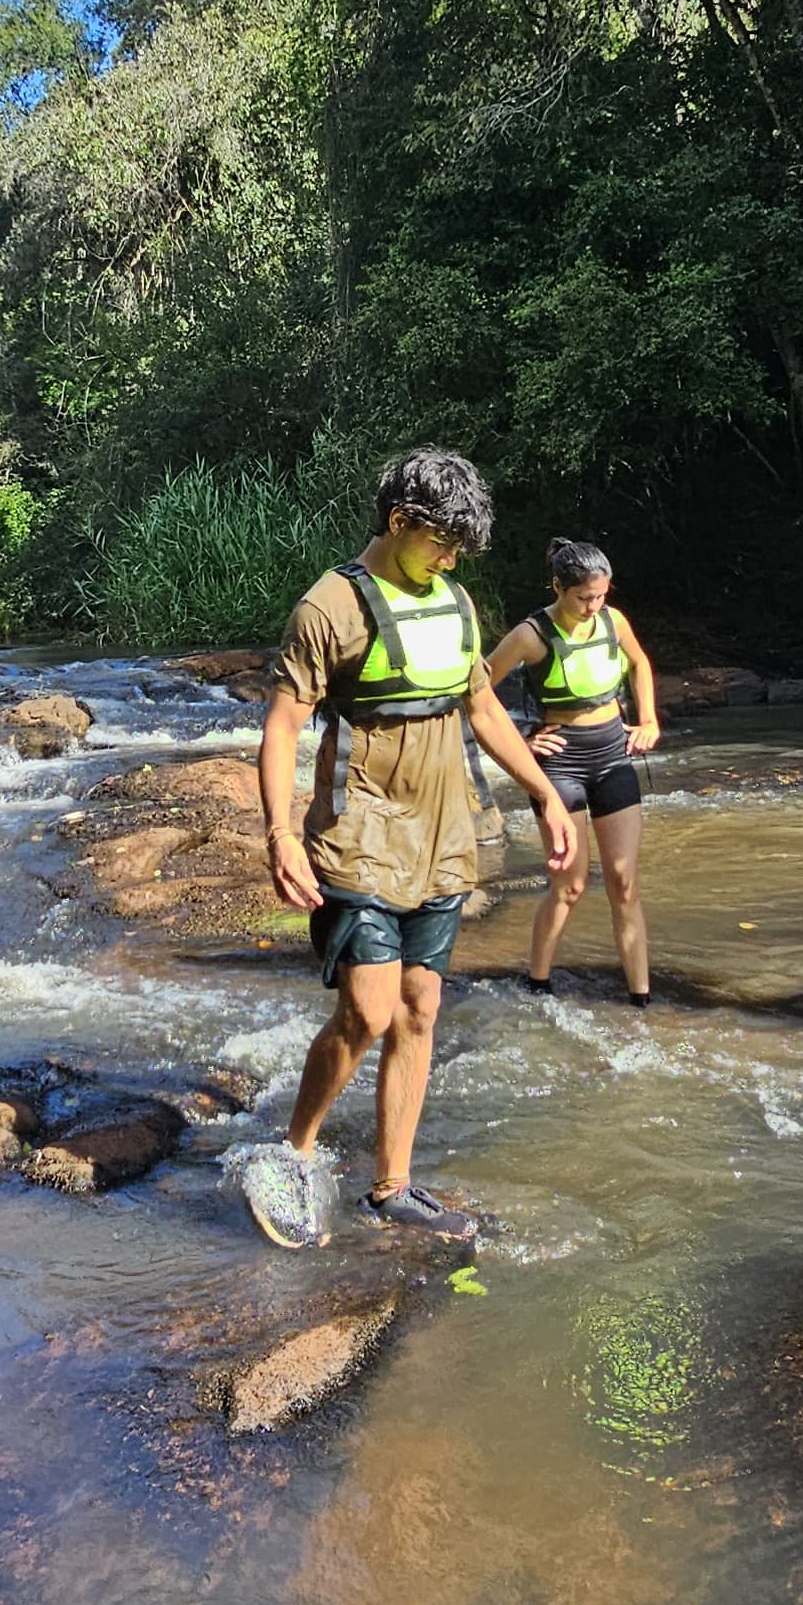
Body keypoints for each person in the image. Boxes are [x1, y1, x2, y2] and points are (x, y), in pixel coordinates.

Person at [255, 447, 578, 1240]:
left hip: (441, 836)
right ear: (399, 523)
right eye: (441, 542)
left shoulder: (455, 601)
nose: (451, 558)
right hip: (357, 832)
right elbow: (283, 726)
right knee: (366, 1011)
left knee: (421, 1008)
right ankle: (293, 1154)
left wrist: (540, 793)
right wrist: (278, 837)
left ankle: (390, 1188)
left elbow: (484, 709)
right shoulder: (327, 609)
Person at [483, 537, 663, 1003]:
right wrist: (524, 741)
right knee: (570, 885)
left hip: (612, 754)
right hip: (559, 764)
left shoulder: (613, 620)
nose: (593, 606)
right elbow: (478, 691)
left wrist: (648, 720)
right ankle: (538, 982)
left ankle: (641, 997)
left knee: (624, 881)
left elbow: (640, 663)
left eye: (601, 596)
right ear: (558, 587)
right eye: (584, 597)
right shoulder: (530, 635)